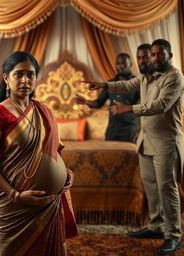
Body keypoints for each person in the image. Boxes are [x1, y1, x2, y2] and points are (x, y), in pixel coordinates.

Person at [84, 39, 184, 255]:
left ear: (169, 55)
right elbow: (127, 85)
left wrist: (129, 108)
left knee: (167, 189)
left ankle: (174, 235)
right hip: (146, 142)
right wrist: (104, 85)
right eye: (152, 55)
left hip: (166, 143)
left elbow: (161, 105)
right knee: (151, 188)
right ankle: (156, 227)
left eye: (159, 55)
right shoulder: (147, 78)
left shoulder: (175, 77)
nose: (154, 59)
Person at [0, 51, 77, 256]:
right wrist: (16, 195)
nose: (25, 80)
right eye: (19, 74)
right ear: (6, 78)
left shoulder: (44, 110)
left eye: (30, 74)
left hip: (48, 204)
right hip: (13, 206)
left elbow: (52, 150)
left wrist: (64, 172)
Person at [75, 53, 140, 143]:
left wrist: (140, 130)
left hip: (130, 131)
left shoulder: (136, 83)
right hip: (112, 130)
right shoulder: (110, 83)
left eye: (124, 63)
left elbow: (142, 109)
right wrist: (86, 101)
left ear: (131, 64)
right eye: (118, 63)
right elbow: (98, 103)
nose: (121, 66)